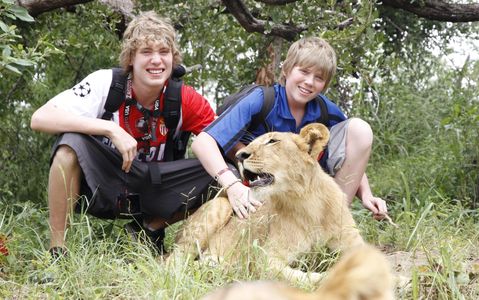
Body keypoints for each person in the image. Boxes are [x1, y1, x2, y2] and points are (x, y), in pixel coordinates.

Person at [30, 11, 216, 256]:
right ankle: (58, 250)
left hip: (157, 185)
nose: (156, 61)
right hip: (105, 181)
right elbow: (40, 118)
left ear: (173, 58)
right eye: (146, 52)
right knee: (69, 146)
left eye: (164, 52)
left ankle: (149, 228)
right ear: (131, 58)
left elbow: (220, 140)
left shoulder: (185, 98)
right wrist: (110, 128)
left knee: (225, 173)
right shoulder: (105, 83)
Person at [192, 37, 387, 220]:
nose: (309, 82)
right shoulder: (261, 100)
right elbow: (203, 142)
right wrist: (232, 185)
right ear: (286, 70)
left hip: (296, 191)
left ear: (325, 84)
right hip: (252, 184)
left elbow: (353, 151)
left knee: (360, 130)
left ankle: (334, 221)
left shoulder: (325, 110)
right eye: (303, 71)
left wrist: (366, 194)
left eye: (319, 78)